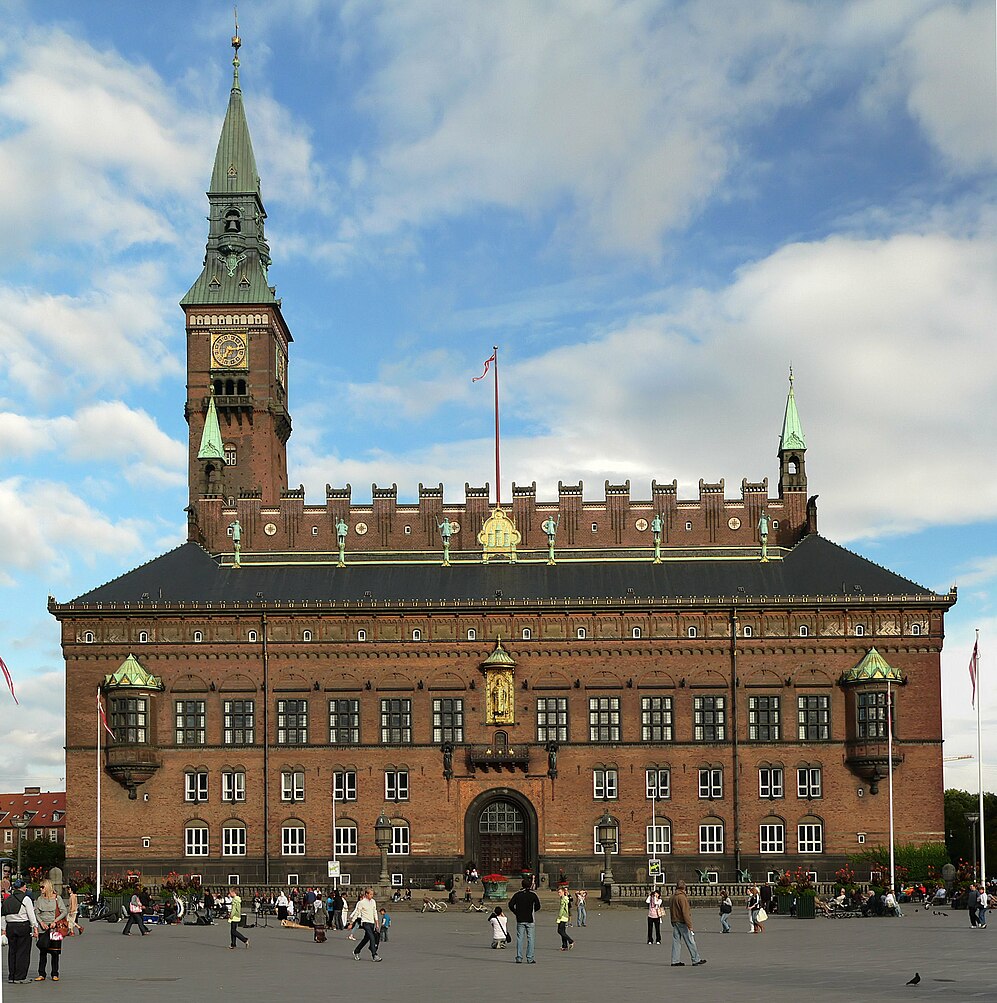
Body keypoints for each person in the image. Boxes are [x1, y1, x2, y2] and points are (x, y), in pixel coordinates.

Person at [2, 877, 39, 984]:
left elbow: (3, 916)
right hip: (23, 926)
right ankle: (20, 977)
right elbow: (31, 915)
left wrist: (3, 929)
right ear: (22, 887)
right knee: (23, 951)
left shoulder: (7, 899)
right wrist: (35, 927)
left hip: (10, 927)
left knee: (12, 951)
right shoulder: (26, 899)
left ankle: (12, 976)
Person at [33, 878, 68, 982]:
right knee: (42, 951)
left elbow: (64, 911)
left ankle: (55, 973)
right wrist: (41, 922)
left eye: (42, 887)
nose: (40, 889)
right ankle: (41, 973)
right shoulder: (39, 899)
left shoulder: (57, 898)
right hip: (43, 928)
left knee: (55, 952)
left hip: (55, 928)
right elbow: (36, 913)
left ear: (47, 887)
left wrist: (55, 921)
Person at [669, 880, 706, 967]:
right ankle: (695, 959)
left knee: (676, 941)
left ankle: (675, 960)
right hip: (682, 921)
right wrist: (690, 925)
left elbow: (671, 910)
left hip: (675, 921)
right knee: (690, 941)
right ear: (684, 887)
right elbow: (685, 912)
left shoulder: (672, 897)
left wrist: (672, 921)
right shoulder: (682, 897)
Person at [508, 877, 542, 964]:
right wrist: (533, 910)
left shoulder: (517, 895)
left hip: (520, 919)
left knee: (520, 938)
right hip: (530, 919)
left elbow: (511, 904)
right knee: (530, 939)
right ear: (530, 885)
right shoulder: (533, 895)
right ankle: (530, 958)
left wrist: (516, 912)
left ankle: (519, 957)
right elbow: (538, 906)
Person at [351, 888, 382, 962]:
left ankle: (356, 951)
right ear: (366, 894)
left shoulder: (373, 902)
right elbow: (357, 912)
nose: (372, 896)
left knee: (366, 939)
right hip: (365, 922)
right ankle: (374, 955)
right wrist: (352, 922)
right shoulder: (361, 902)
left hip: (372, 923)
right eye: (370, 894)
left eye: (372, 894)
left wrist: (377, 923)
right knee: (372, 937)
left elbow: (375, 912)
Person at [556, 886, 574, 951]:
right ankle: (564, 946)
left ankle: (570, 941)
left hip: (563, 917)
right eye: (558, 892)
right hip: (565, 916)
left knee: (560, 931)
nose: (559, 893)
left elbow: (562, 909)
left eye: (560, 892)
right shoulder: (564, 898)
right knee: (562, 931)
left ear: (563, 892)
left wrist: (559, 917)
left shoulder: (564, 899)